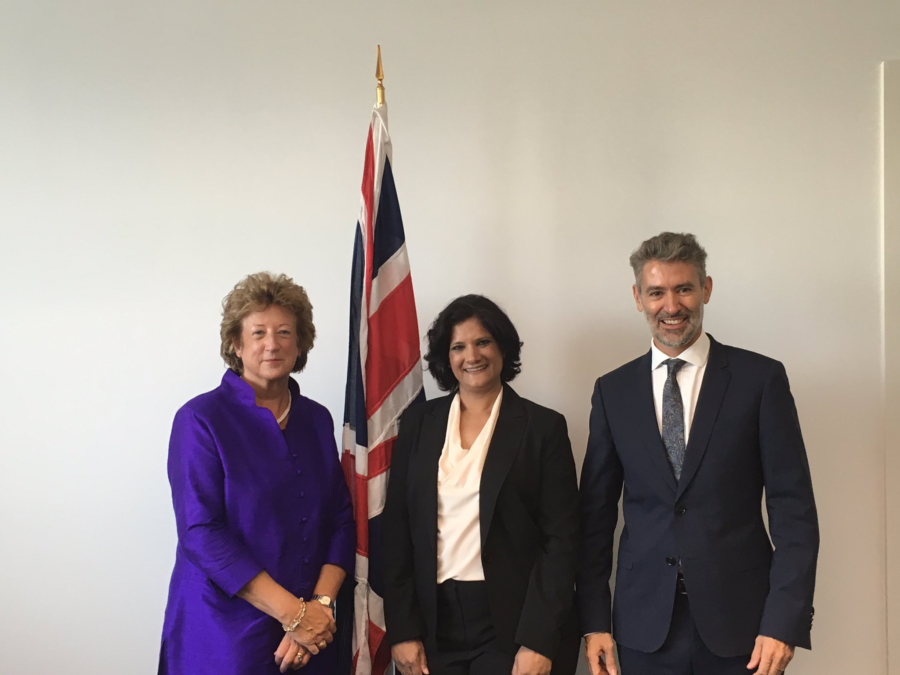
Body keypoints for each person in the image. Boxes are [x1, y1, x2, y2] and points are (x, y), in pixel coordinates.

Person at [577, 233, 819, 675]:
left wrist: (783, 622)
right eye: (657, 292)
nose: (671, 306)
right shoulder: (612, 392)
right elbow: (594, 519)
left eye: (684, 288)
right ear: (638, 298)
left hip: (744, 629)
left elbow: (794, 511)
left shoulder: (760, 380)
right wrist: (594, 621)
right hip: (642, 630)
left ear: (706, 288)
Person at [158, 272, 355, 675]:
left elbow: (339, 517)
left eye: (285, 331)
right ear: (236, 343)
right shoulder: (200, 419)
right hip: (225, 632)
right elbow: (201, 533)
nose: (272, 343)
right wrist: (295, 617)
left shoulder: (316, 419)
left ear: (300, 344)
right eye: (259, 331)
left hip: (313, 632)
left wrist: (317, 608)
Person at [383, 295, 581, 675]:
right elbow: (398, 531)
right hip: (433, 625)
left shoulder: (543, 428)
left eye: (483, 342)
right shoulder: (418, 424)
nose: (471, 355)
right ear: (446, 357)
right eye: (458, 346)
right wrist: (403, 631)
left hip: (513, 623)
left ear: (503, 347)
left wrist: (539, 639)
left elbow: (561, 541)